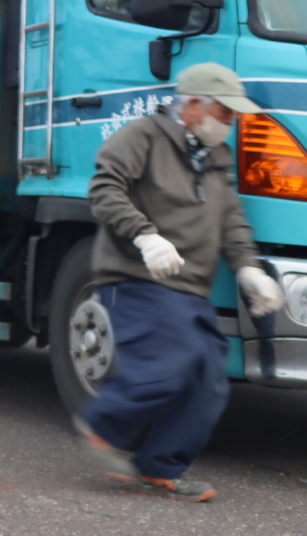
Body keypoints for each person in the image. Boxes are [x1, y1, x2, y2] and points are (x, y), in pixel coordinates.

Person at [75, 62, 285, 503]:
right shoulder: (143, 136)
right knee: (168, 363)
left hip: (190, 286)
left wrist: (248, 267)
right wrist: (144, 235)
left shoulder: (215, 155)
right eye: (226, 114)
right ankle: (104, 428)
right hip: (137, 274)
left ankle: (159, 467)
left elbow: (230, 217)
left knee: (209, 377)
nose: (230, 124)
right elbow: (104, 189)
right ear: (192, 105)